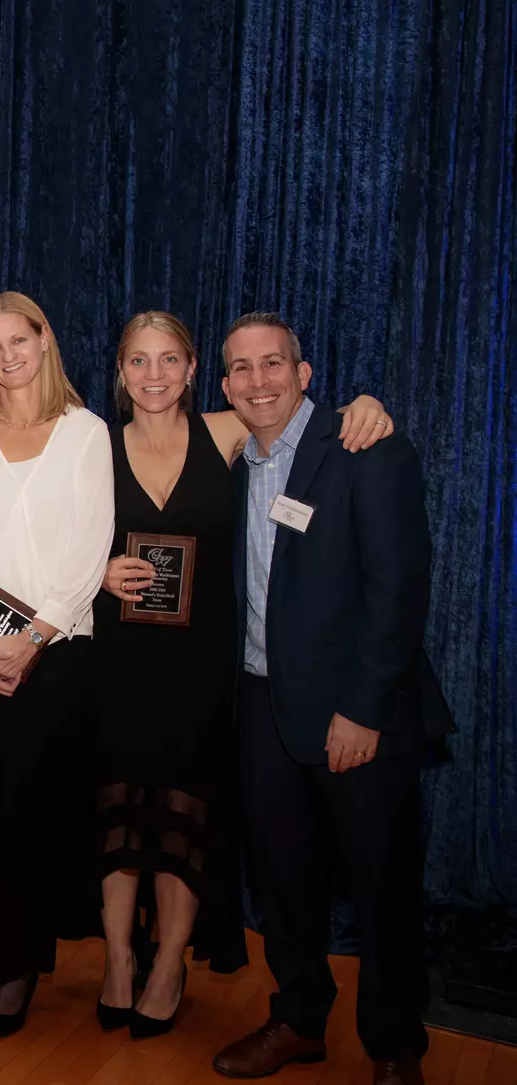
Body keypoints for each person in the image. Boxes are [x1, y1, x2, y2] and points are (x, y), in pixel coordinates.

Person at [92, 311, 395, 1038]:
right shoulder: (89, 447)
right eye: (139, 361)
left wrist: (365, 408)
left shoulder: (227, 432)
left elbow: (295, 415)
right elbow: (41, 530)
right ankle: (116, 961)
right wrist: (92, 570)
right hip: (117, 664)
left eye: (170, 360)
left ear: (198, 372)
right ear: (121, 371)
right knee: (116, 818)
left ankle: (168, 964)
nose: (155, 375)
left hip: (201, 669)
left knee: (183, 819)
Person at [210, 313, 446, 1085]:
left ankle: (395, 1048)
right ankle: (299, 1019)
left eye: (273, 364)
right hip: (261, 709)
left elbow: (398, 594)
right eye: (241, 370)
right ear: (225, 387)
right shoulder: (237, 463)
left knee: (382, 890)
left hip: (354, 717)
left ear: (304, 373)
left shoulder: (363, 448)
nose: (259, 381)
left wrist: (364, 710)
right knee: (282, 882)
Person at [0, 291, 114, 1039]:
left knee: (33, 816)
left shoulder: (87, 433)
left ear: (45, 340)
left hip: (55, 653)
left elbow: (90, 545)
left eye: (19, 339)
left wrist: (34, 637)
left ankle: (20, 965)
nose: (8, 355)